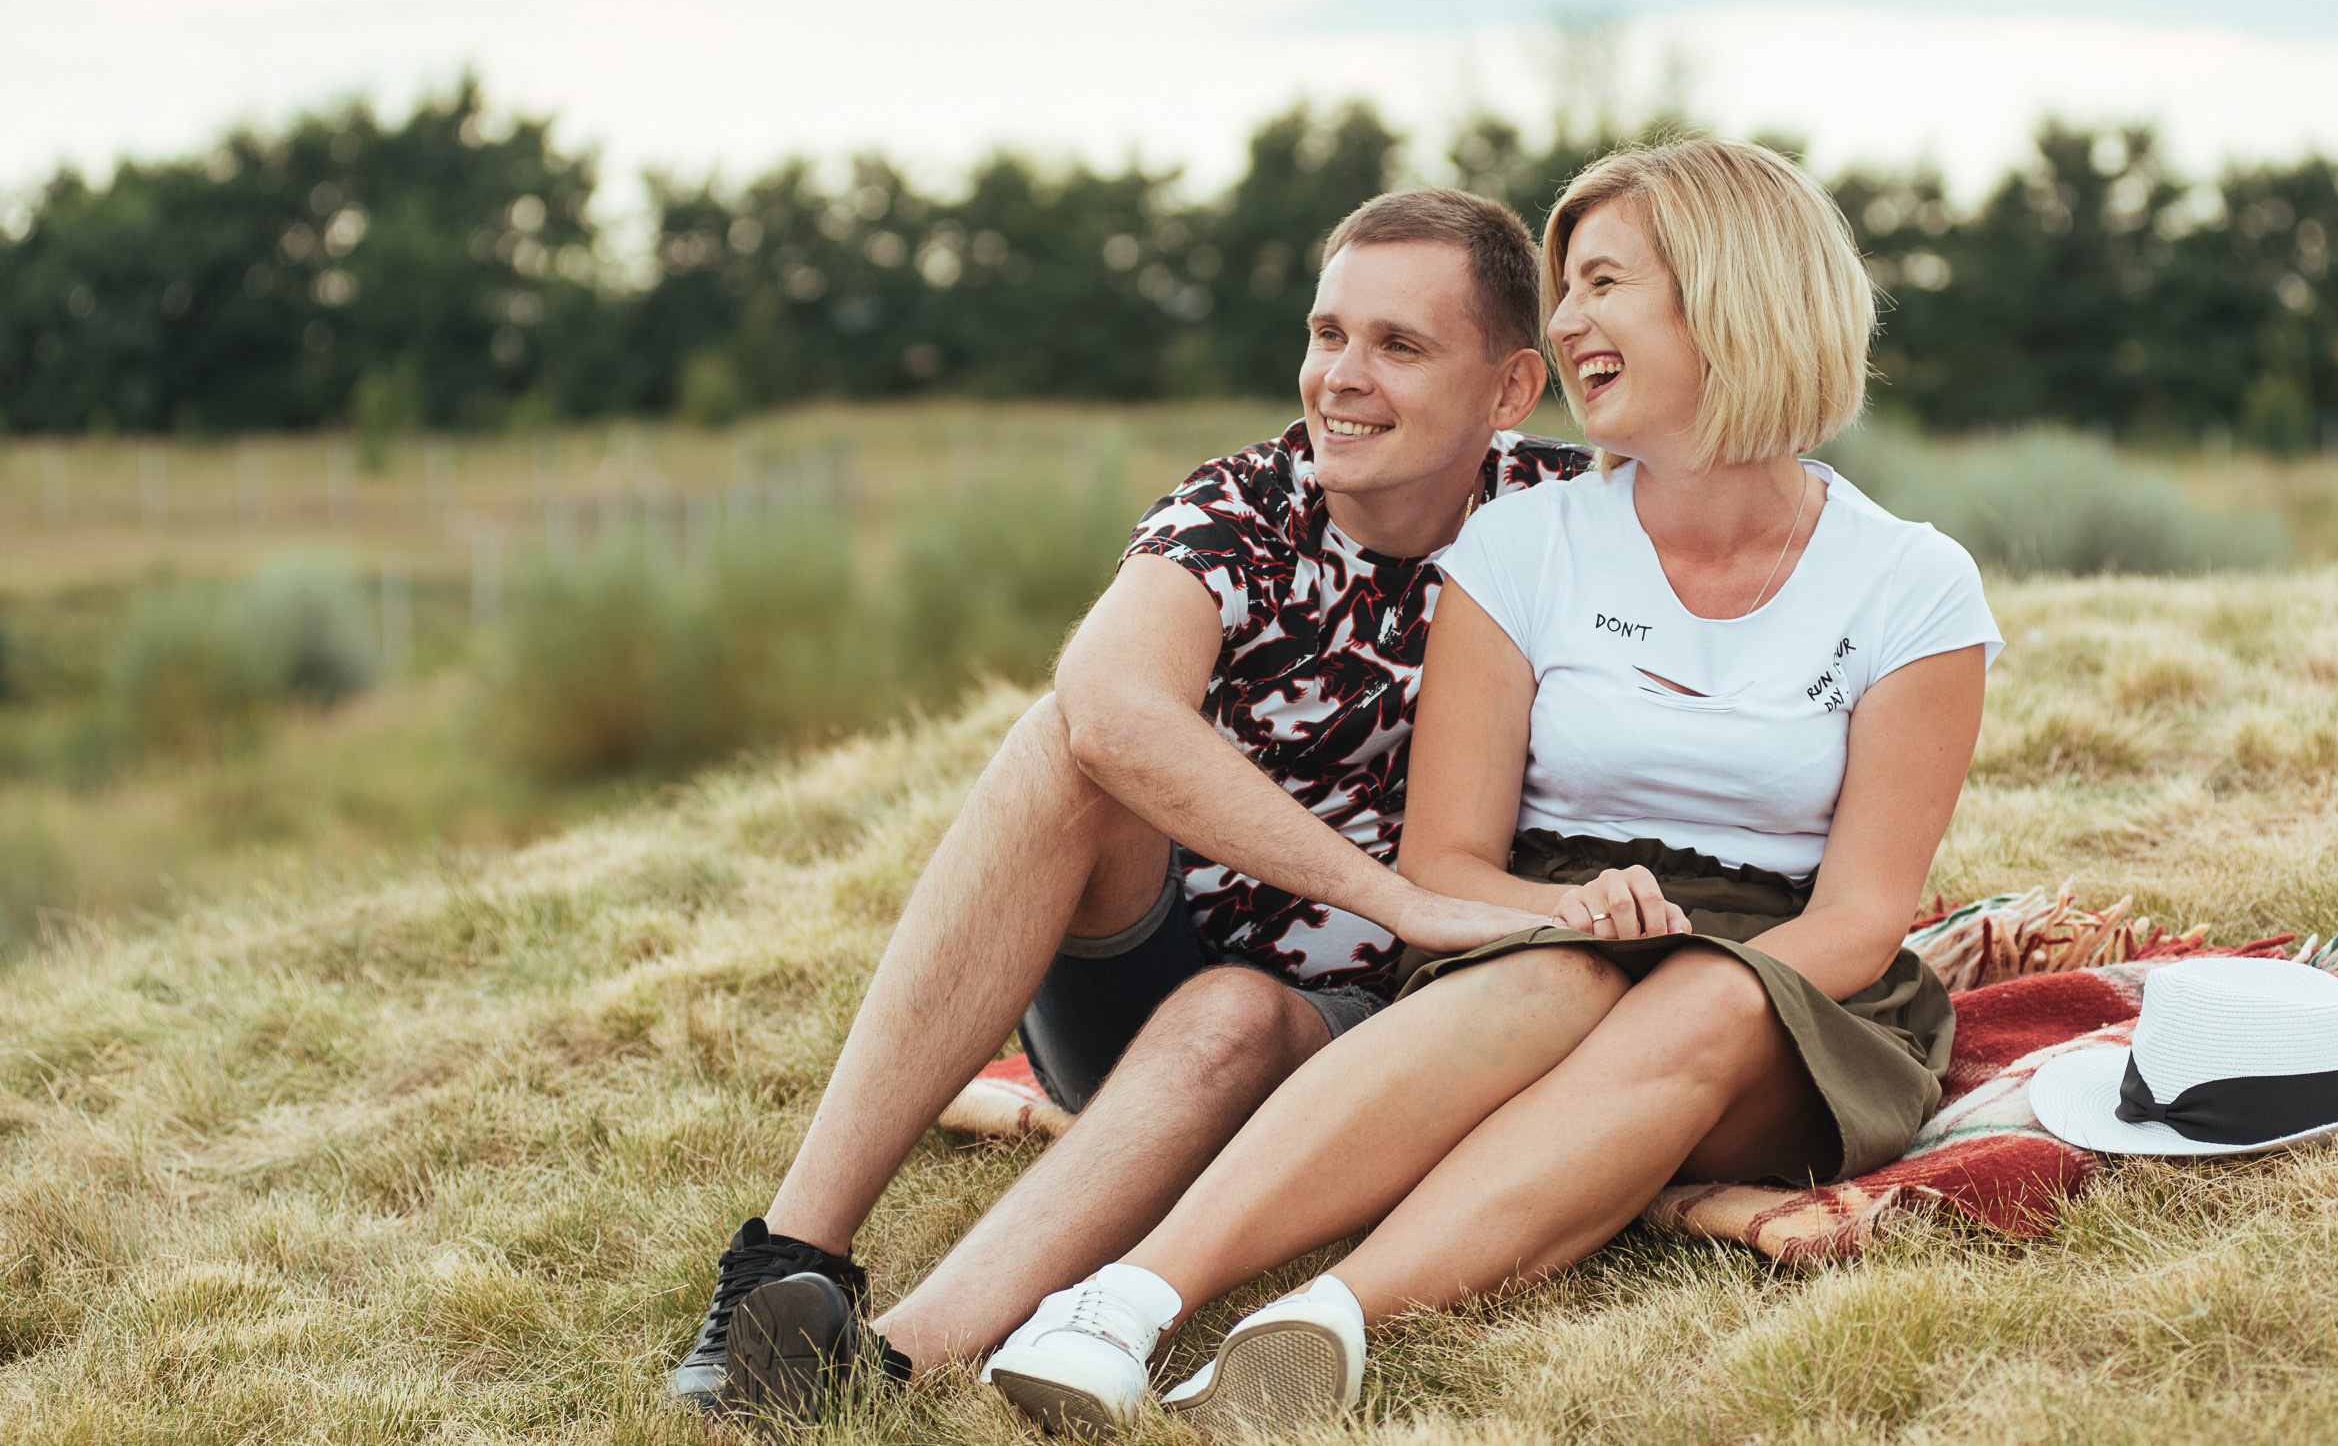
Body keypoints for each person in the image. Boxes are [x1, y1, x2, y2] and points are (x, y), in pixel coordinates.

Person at [982, 137, 2004, 1438]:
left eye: (1603, 283)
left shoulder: (1911, 583)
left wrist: (1693, 970)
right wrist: (1560, 922)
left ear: (1731, 294)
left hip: (1790, 974)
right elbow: (1447, 862)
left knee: (1695, 1007)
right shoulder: (1521, 540)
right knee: (1557, 970)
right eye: (1565, 288)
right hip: (1549, 923)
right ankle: (1124, 1306)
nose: (1566, 321)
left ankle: (1329, 1318)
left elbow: (1866, 910)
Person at [665, 187, 1589, 1416]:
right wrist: (1392, 894)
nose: (1341, 378)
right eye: (1327, 334)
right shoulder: (1245, 508)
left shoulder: (1569, 522)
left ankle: (879, 1362)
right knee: (1063, 741)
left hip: (1370, 1031)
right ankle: (785, 1258)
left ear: (1510, 388)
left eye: (1399, 345)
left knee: (1234, 1012)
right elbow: (1108, 707)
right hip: (1142, 971)